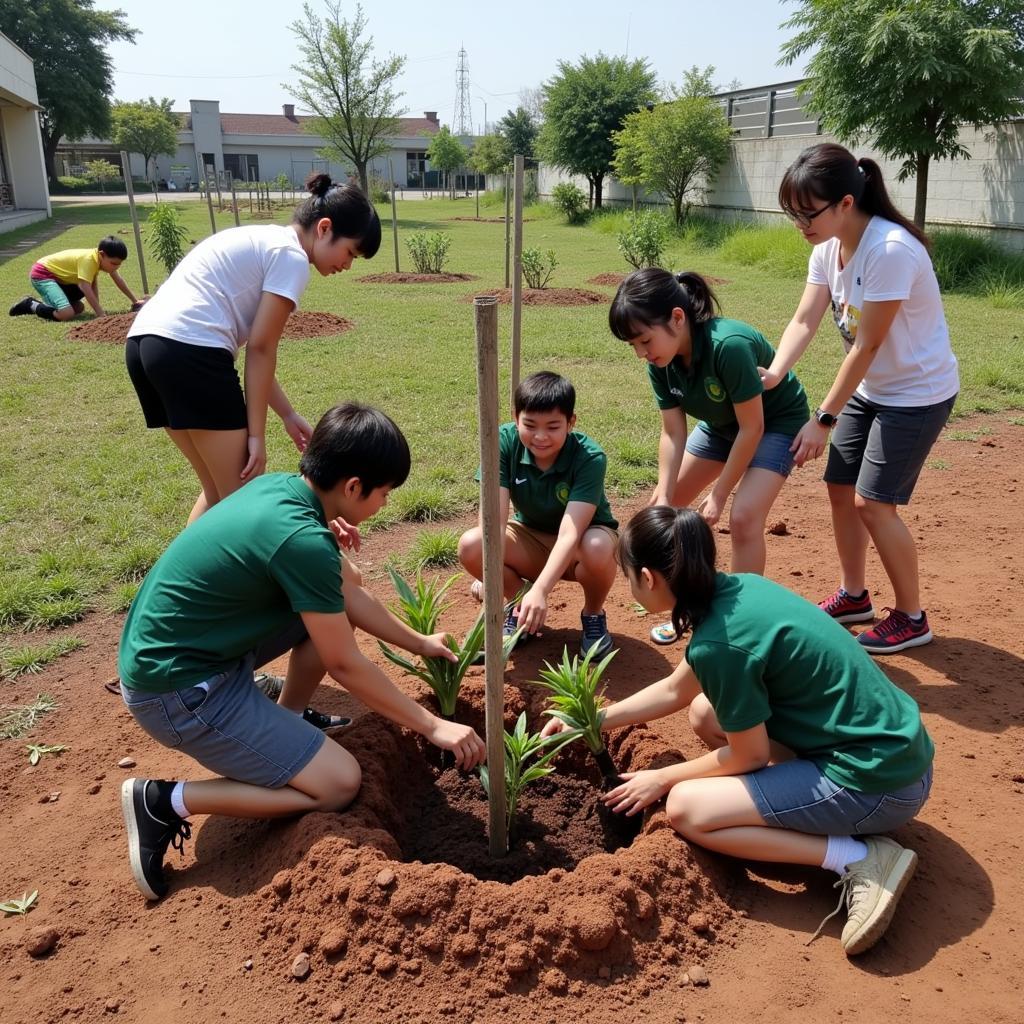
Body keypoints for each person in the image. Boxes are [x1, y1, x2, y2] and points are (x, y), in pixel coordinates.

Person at [119, 402, 486, 902]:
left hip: (185, 654)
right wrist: (432, 725)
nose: (384, 503)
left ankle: (283, 723)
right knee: (338, 784)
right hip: (179, 692)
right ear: (353, 486)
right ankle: (167, 801)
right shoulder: (303, 541)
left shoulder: (282, 492)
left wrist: (419, 643)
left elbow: (346, 594)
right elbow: (343, 662)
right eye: (383, 492)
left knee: (341, 579)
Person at [545, 505, 934, 957]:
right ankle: (798, 797)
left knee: (687, 809)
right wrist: (592, 719)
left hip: (878, 787)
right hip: (897, 754)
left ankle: (860, 859)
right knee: (706, 713)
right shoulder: (741, 589)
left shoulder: (720, 646)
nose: (628, 588)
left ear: (648, 579)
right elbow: (676, 689)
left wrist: (663, 777)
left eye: (627, 576)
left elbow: (747, 756)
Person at [761, 142, 959, 655]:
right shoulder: (827, 249)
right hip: (873, 389)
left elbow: (867, 344)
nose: (800, 223)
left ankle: (912, 616)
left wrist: (822, 419)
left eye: (808, 212)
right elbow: (805, 319)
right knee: (840, 488)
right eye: (793, 213)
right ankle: (854, 597)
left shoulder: (890, 250)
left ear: (846, 202)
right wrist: (776, 371)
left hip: (917, 393)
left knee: (874, 503)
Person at [125, 171, 381, 525]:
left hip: (145, 347)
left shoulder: (265, 239)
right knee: (246, 506)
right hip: (191, 353)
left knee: (219, 495)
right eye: (350, 251)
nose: (347, 265)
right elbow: (260, 348)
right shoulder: (291, 257)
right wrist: (256, 436)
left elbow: (254, 355)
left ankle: (177, 578)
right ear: (324, 228)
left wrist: (288, 415)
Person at [609, 268, 809, 644]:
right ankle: (688, 608)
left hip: (776, 423)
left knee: (745, 517)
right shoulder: (661, 360)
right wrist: (665, 492)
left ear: (678, 318)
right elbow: (673, 430)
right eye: (633, 345)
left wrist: (719, 494)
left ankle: (742, 628)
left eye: (644, 340)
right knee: (665, 510)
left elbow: (753, 428)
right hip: (721, 426)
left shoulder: (727, 345)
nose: (642, 353)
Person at [458, 371, 619, 658]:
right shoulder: (502, 442)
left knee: (598, 546)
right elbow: (492, 521)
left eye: (553, 426)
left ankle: (593, 617)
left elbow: (571, 533)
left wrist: (542, 589)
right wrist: (490, 574)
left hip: (581, 544)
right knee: (473, 545)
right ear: (515, 416)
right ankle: (519, 606)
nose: (540, 437)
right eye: (530, 425)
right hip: (529, 537)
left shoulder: (590, 457)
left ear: (571, 422)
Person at [9, 235, 144, 322]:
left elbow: (117, 280)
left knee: (78, 308)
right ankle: (30, 304)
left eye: (119, 264)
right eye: (114, 263)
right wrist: (100, 313)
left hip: (61, 280)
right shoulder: (89, 260)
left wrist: (135, 301)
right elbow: (84, 287)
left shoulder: (99, 259)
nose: (116, 267)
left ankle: (53, 304)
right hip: (42, 275)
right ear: (102, 254)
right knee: (66, 314)